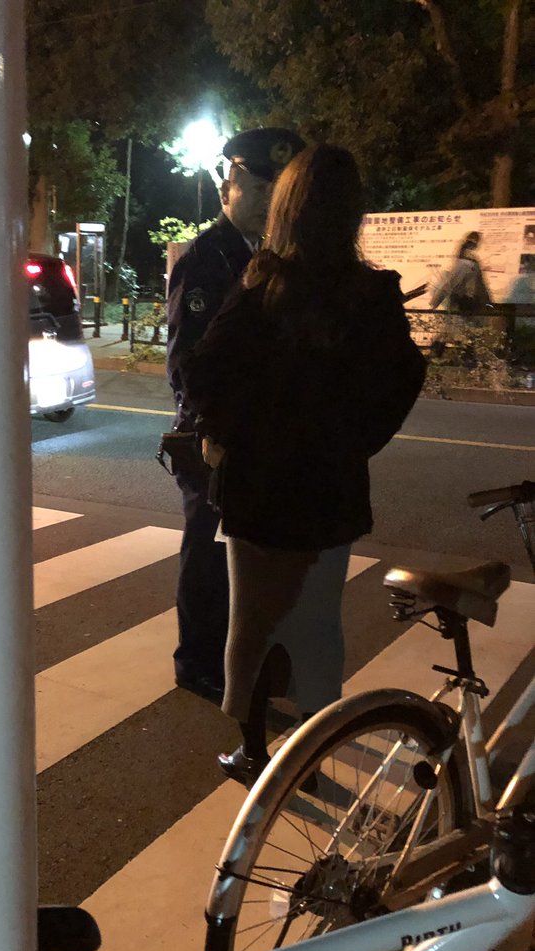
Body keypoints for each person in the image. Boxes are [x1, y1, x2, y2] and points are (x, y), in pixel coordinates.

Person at [180, 144, 426, 783]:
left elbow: (202, 371)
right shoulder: (372, 293)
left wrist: (229, 433)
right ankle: (311, 753)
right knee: (318, 624)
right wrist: (354, 441)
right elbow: (404, 378)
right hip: (329, 489)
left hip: (258, 488)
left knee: (253, 619)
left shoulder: (263, 282)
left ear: (286, 208)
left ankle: (256, 752)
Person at [165, 127, 305, 706]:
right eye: (261, 187)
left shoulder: (269, 258)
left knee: (242, 555)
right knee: (206, 552)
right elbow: (186, 361)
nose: (270, 201)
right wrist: (213, 431)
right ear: (232, 184)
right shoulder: (205, 258)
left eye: (279, 191)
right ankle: (197, 662)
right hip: (213, 439)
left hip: (256, 436)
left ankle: (236, 657)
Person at [429, 231, 491, 313]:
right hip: (475, 304)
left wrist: (434, 304)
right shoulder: (473, 262)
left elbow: (450, 284)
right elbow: (482, 287)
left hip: (464, 305)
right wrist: (489, 305)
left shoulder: (465, 263)